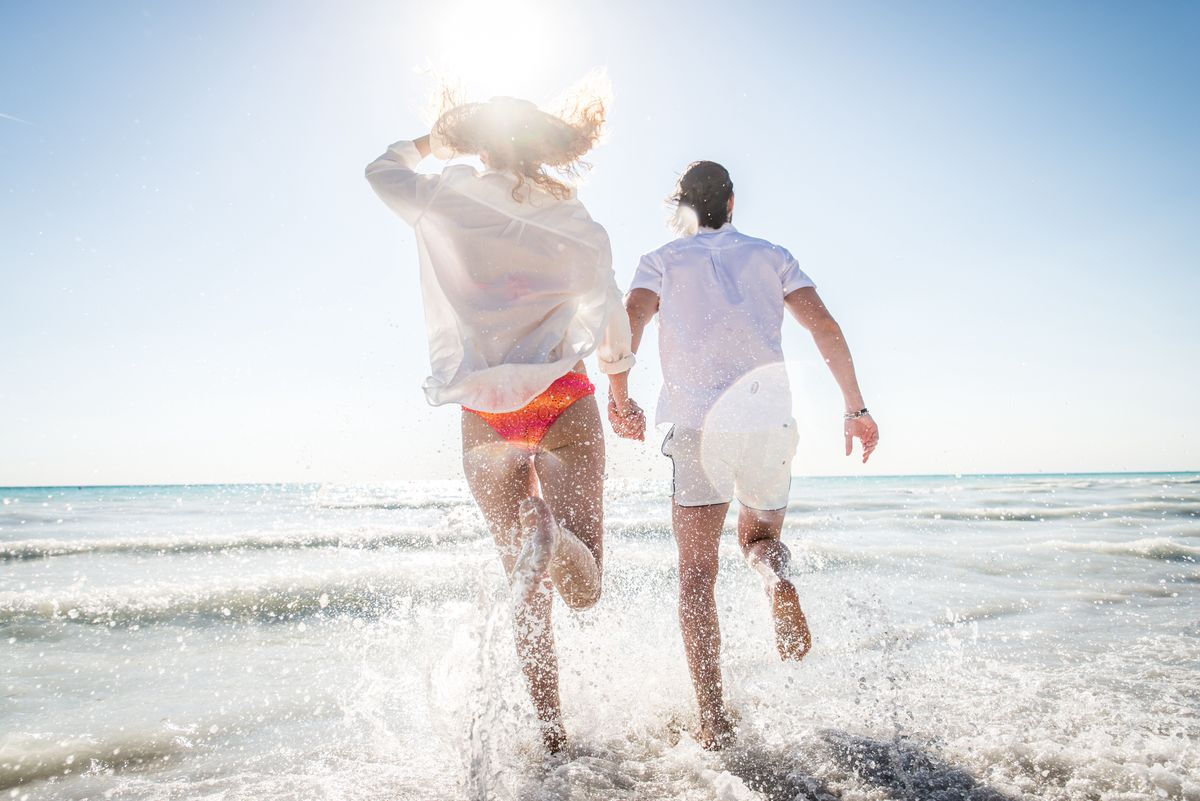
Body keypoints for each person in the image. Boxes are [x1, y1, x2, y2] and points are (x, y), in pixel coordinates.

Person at [365, 94, 647, 752]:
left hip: (486, 411)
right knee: (584, 586)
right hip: (562, 397)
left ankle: (552, 737)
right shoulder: (576, 219)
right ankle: (551, 535)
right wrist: (620, 386)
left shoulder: (445, 196)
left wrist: (434, 142)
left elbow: (381, 170)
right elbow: (610, 309)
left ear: (482, 146)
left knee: (525, 590)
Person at [616, 160, 878, 750]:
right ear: (732, 204)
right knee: (759, 541)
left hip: (699, 427)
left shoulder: (661, 260)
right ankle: (775, 579)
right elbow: (826, 327)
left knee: (695, 574)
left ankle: (713, 718)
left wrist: (618, 394)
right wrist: (855, 409)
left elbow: (630, 318)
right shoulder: (771, 255)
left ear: (682, 209)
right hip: (767, 420)